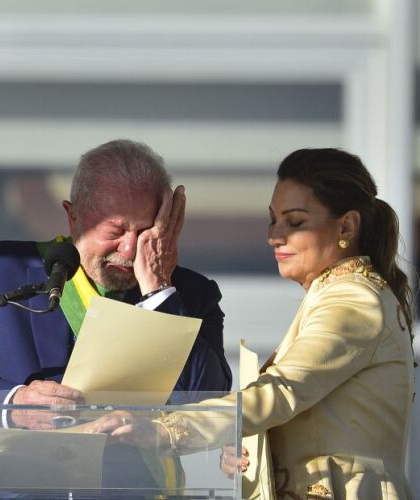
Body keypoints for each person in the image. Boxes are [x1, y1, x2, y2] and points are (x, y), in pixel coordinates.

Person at [88, 148, 415, 499]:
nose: (275, 236)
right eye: (273, 220)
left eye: (296, 222)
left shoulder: (353, 298)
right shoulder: (341, 294)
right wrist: (254, 449)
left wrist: (164, 430)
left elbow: (282, 390)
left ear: (346, 226)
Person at [0, 139, 232, 491]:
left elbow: (207, 401)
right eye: (115, 231)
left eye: (146, 232)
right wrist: (14, 402)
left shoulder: (190, 296)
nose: (130, 249)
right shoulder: (2, 270)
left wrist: (159, 290)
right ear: (74, 217)